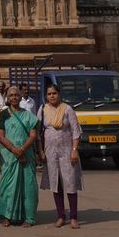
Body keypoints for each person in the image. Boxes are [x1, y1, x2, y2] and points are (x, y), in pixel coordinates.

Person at [38, 84, 84, 228]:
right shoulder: (42, 110)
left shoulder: (67, 109)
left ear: (59, 94)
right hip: (50, 151)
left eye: (54, 93)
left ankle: (74, 217)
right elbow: (38, 132)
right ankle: (60, 216)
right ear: (46, 96)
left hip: (67, 150)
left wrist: (74, 149)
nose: (52, 96)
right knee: (55, 183)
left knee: (70, 183)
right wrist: (40, 151)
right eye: (49, 94)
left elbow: (76, 131)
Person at [0, 85, 39, 227]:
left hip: (26, 154)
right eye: (11, 95)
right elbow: (1, 136)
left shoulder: (28, 115)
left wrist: (22, 149)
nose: (14, 97)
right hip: (9, 156)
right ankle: (7, 215)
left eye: (16, 95)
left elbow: (33, 134)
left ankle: (29, 218)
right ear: (7, 98)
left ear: (20, 97)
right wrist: (14, 150)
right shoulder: (3, 114)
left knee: (28, 186)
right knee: (8, 185)